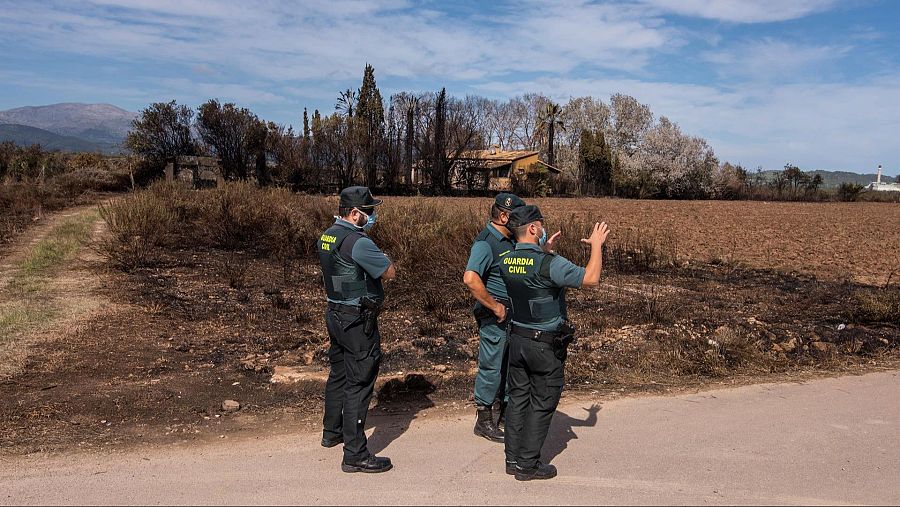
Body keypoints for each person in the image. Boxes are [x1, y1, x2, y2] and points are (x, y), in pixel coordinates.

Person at [499, 204, 609, 481]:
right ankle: (528, 465)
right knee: (542, 402)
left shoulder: (505, 259)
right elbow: (591, 278)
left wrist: (543, 251)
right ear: (534, 229)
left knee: (517, 400)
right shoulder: (550, 264)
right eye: (541, 224)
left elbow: (528, 274)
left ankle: (512, 459)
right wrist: (597, 246)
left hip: (517, 340)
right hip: (544, 345)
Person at [316, 186, 396, 474]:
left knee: (338, 373)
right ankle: (355, 453)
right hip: (356, 318)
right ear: (354, 213)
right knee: (359, 382)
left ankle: (332, 431)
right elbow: (389, 271)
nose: (373, 216)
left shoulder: (328, 236)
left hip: (335, 313)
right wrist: (383, 255)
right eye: (369, 211)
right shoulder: (358, 242)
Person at [462, 193, 526, 442]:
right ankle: (484, 420)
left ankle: (505, 414)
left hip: (512, 317)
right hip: (495, 318)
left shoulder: (509, 240)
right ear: (503, 216)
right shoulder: (486, 243)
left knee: (508, 366)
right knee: (491, 366)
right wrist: (495, 307)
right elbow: (470, 278)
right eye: (517, 216)